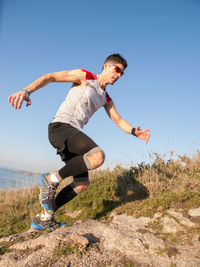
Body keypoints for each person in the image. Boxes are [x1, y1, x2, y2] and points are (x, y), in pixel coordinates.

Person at [8, 54, 150, 230]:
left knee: (82, 184)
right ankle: (50, 179)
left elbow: (118, 120)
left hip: (73, 135)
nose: (119, 75)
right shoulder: (85, 76)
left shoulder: (106, 99)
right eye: (117, 69)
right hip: (60, 127)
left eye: (122, 73)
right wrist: (26, 91)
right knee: (97, 156)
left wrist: (135, 132)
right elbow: (50, 77)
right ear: (106, 66)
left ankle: (45, 217)